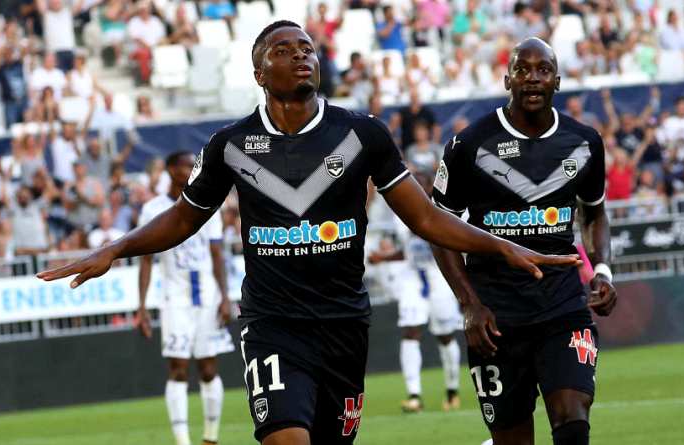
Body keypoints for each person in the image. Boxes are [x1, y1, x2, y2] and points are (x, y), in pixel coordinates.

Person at [37, 22, 579, 445]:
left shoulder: (362, 134)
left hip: (345, 322)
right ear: (259, 73)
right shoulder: (230, 144)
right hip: (274, 322)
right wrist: (117, 247)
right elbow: (183, 218)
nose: (300, 55)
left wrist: (502, 245)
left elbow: (428, 219)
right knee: (285, 437)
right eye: (283, 50)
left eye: (307, 48)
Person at [431, 38, 616, 445]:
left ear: (558, 81)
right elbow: (438, 229)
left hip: (563, 305)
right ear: (506, 79)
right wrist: (469, 305)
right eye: (522, 69)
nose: (532, 78)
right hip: (495, 316)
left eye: (543, 69)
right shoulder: (469, 145)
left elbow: (595, 212)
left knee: (573, 420)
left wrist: (601, 270)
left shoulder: (584, 142)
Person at [137, 151, 234, 445]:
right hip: (175, 298)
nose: (187, 170)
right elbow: (145, 259)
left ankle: (210, 437)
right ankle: (182, 441)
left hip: (207, 296)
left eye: (192, 165)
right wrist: (141, 306)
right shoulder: (153, 208)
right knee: (177, 369)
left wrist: (225, 296)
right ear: (168, 169)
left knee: (208, 368)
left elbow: (217, 255)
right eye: (182, 165)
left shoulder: (209, 203)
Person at [368, 168, 463, 414]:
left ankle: (452, 390)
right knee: (410, 330)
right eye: (415, 184)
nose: (418, 188)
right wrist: (386, 258)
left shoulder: (443, 210)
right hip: (412, 276)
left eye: (422, 184)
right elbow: (410, 249)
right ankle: (414, 395)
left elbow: (441, 237)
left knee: (445, 335)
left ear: (431, 187)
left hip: (438, 275)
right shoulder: (401, 214)